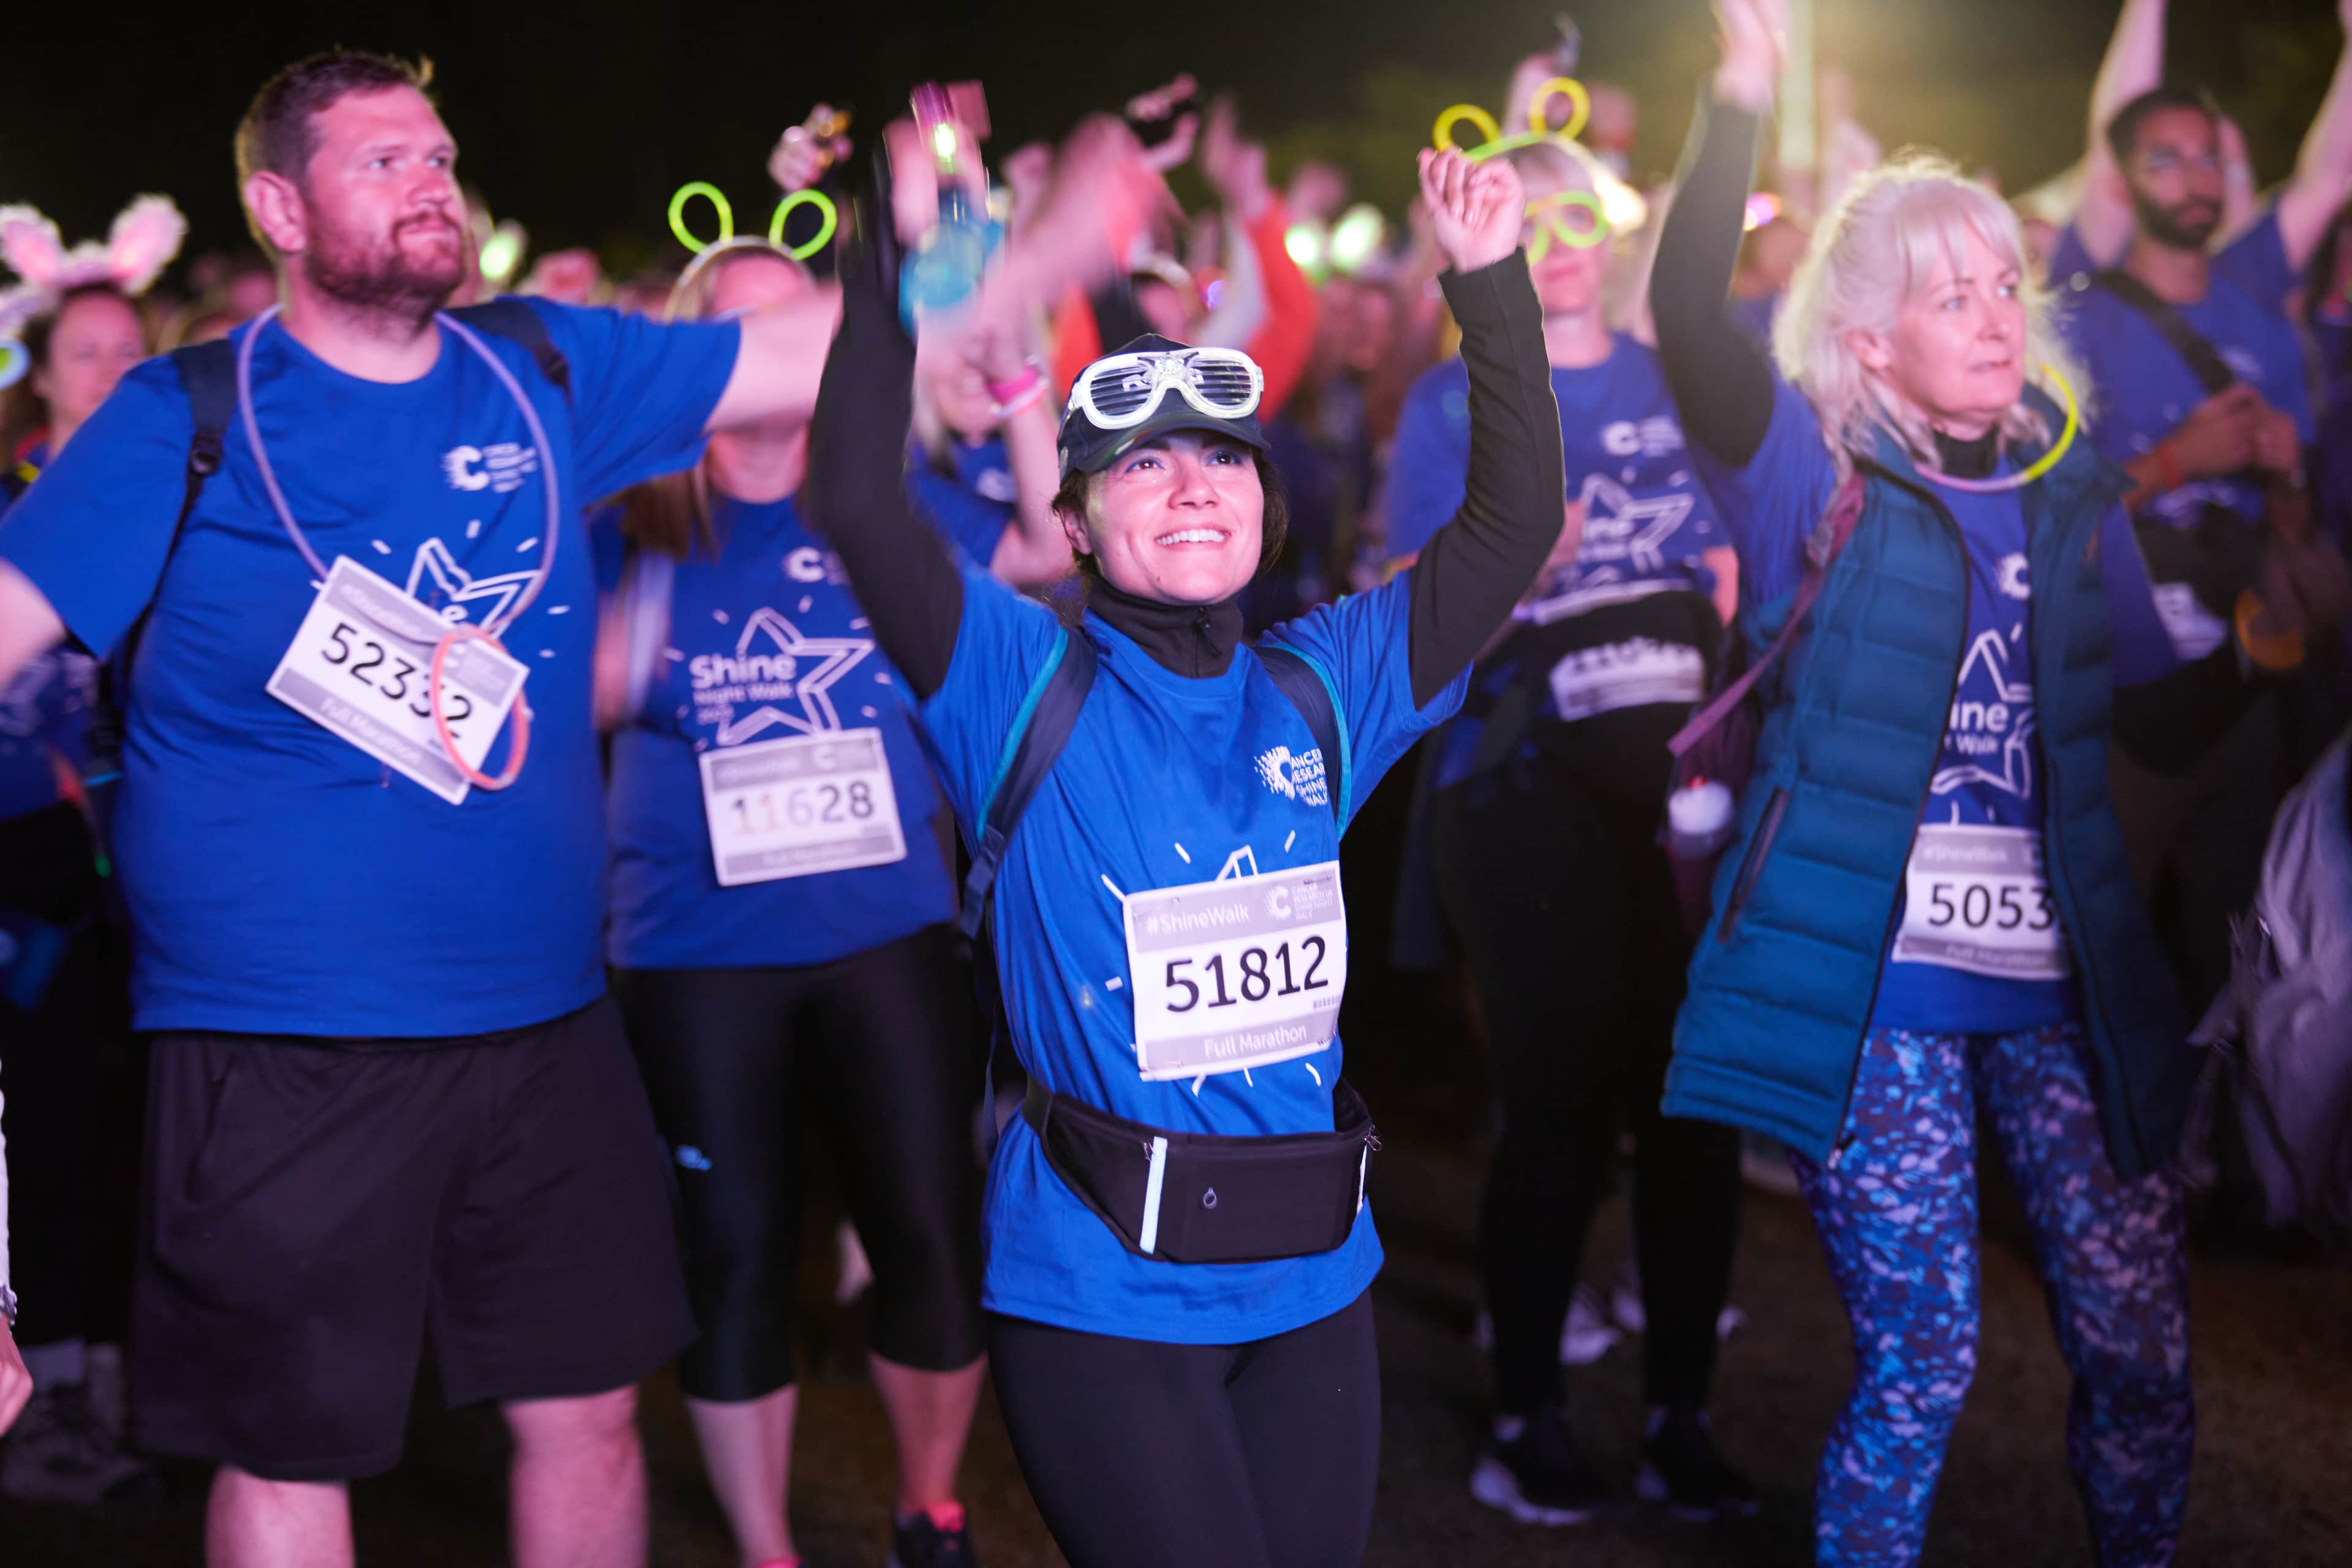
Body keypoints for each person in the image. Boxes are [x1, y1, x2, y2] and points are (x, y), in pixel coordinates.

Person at [0, 48, 872, 1568]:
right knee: (288, 1454)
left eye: (442, 156)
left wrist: (996, 253)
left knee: (594, 1411)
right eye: (384, 158)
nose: (432, 182)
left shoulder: (541, 370)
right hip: (279, 1042)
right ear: (278, 205)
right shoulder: (180, 416)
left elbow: (822, 358)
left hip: (542, 1024)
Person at [802, 130, 1564, 1567]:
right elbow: (853, 494)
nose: (1194, 484)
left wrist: (1491, 286)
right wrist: (888, 246)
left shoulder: (1323, 680)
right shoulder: (1013, 678)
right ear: (1075, 524)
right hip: (1102, 1290)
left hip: (1314, 1279)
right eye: (1141, 470)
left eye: (1222, 456)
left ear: (1268, 502)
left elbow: (1512, 522)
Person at [1648, 1, 2286, 1559]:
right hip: (1878, 995)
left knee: (2142, 1350)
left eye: (2007, 281)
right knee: (1925, 1360)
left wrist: (2261, 655)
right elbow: (1681, 310)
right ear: (1868, 340)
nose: (1998, 316)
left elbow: (2156, 720)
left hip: (2068, 987)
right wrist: (1742, 95)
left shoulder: (2072, 493)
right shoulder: (1813, 473)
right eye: (1950, 297)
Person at [591, 240, 987, 1568]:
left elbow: (1049, 543)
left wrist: (1022, 391)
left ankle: (929, 1507)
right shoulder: (624, 527)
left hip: (886, 930)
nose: (770, 355)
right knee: (736, 1248)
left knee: (928, 1229)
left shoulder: (882, 507)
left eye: (794, 325)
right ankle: (765, 1546)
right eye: (737, 331)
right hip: (698, 953)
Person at [1384, 137, 1751, 1526]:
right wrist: (1522, 552)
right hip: (1524, 778)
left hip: (1689, 774)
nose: (1574, 235)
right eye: (1535, 219)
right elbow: (1403, 601)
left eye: (1590, 210)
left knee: (1693, 1103)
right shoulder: (1448, 401)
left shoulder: (1684, 379)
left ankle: (1679, 1417)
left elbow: (1768, 543)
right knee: (1556, 1105)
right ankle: (1525, 1413)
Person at [0, 272, 161, 1506]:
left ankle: (116, 1383)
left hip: (154, 878)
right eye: (84, 350)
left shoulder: (183, 509)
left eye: (129, 350)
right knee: (46, 1135)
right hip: (30, 883)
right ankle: (46, 1398)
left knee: (135, 1140)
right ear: (41, 374)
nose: (109, 372)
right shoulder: (15, 519)